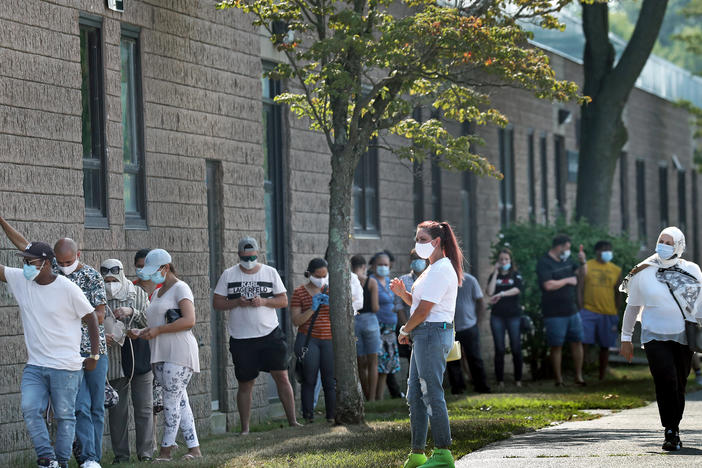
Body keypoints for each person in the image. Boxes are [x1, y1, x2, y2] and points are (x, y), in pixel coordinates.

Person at [0, 218, 108, 467]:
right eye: (24, 262)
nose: (25, 266)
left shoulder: (68, 287)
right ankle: (47, 458)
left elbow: (93, 317)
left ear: (45, 263)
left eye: (30, 263)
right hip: (36, 365)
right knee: (30, 408)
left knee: (69, 415)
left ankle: (68, 460)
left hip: (66, 364)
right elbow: (20, 247)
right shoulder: (23, 279)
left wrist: (93, 356)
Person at [620, 227, 702, 451]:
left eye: (668, 242)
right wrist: (626, 337)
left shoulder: (692, 270)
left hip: (684, 336)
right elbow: (632, 306)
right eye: (660, 240)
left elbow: (700, 306)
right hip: (654, 335)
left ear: (678, 245)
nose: (663, 245)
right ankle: (669, 429)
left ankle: (674, 427)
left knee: (679, 383)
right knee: (665, 379)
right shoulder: (643, 271)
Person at [390, 220, 463, 468]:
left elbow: (424, 312)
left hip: (431, 333)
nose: (417, 244)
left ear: (437, 242)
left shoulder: (442, 268)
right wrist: (403, 295)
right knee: (415, 395)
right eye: (417, 239)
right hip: (424, 333)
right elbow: (419, 304)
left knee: (432, 393)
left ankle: (443, 454)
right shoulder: (431, 269)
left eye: (422, 240)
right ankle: (418, 454)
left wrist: (404, 329)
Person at [213, 237, 300, 434]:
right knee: (245, 383)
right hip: (242, 338)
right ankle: (245, 429)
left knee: (282, 376)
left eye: (252, 257)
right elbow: (217, 303)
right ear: (238, 256)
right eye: (245, 257)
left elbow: (283, 300)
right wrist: (236, 302)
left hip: (270, 333)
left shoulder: (270, 272)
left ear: (258, 254)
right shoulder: (229, 274)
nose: (249, 260)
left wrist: (264, 302)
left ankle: (293, 421)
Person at [130, 249, 202, 461]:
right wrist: (142, 332)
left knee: (171, 401)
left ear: (166, 268)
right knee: (180, 402)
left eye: (154, 271)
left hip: (178, 353)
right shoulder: (159, 292)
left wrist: (158, 331)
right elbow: (157, 324)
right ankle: (194, 449)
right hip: (161, 353)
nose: (150, 275)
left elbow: (189, 320)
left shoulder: (181, 288)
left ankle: (165, 451)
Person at [101, 259, 154, 463]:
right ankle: (121, 455)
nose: (111, 283)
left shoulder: (137, 293)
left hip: (138, 356)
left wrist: (133, 312)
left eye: (114, 278)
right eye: (107, 279)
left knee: (144, 408)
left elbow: (151, 322)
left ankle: (146, 453)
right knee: (117, 411)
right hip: (113, 361)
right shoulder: (97, 295)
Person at [536, 234, 586, 386]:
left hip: (572, 310)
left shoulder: (568, 261)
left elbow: (582, 276)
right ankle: (559, 379)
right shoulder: (544, 262)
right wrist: (567, 280)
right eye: (567, 248)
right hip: (554, 313)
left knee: (577, 342)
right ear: (560, 246)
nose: (568, 251)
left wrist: (583, 262)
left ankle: (579, 376)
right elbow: (548, 285)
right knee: (556, 345)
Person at [291, 258, 335, 422]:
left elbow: (343, 316)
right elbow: (296, 320)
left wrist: (333, 305)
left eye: (325, 275)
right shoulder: (299, 292)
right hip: (309, 340)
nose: (321, 279)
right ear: (309, 274)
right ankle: (308, 415)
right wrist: (312, 308)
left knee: (329, 380)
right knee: (309, 379)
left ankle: (332, 415)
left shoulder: (331, 290)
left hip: (329, 339)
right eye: (318, 275)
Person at [578, 240, 622, 381]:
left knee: (605, 346)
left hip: (608, 313)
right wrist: (580, 308)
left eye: (609, 249)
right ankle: (582, 373)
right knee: (584, 342)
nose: (607, 252)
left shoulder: (616, 270)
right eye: (604, 249)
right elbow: (579, 288)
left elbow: (618, 293)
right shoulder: (587, 266)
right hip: (588, 310)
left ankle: (601, 376)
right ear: (597, 251)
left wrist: (616, 311)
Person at [446, 270, 491, 394]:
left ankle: (482, 386)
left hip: (470, 326)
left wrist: (478, 323)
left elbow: (481, 303)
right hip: (450, 328)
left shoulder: (471, 280)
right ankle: (457, 388)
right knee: (452, 360)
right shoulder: (444, 281)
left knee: (475, 358)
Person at [486, 248, 524, 389]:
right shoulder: (494, 276)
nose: (504, 262)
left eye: (506, 259)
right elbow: (489, 292)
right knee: (500, 348)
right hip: (497, 317)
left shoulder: (515, 275)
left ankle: (518, 379)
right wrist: (495, 272)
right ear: (498, 261)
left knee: (516, 347)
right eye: (501, 259)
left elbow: (517, 289)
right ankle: (500, 380)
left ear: (510, 260)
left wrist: (501, 294)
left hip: (514, 316)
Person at [370, 252, 402, 400]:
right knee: (378, 363)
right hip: (378, 326)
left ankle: (380, 397)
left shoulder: (390, 282)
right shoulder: (371, 281)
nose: (383, 267)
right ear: (373, 266)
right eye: (380, 264)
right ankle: (374, 397)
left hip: (391, 328)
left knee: (387, 364)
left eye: (386, 265)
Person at [351, 254, 381, 402]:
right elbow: (375, 307)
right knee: (373, 362)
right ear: (364, 267)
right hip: (370, 320)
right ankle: (373, 398)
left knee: (360, 362)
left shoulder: (349, 281)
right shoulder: (371, 282)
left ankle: (366, 394)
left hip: (354, 321)